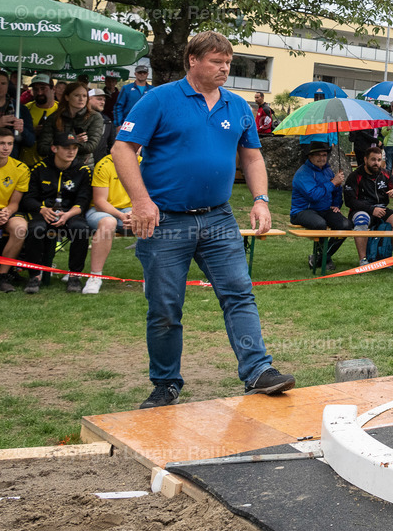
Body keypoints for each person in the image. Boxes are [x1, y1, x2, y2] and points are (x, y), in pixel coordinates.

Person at [112, 30, 295, 409]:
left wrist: (261, 200)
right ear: (192, 60)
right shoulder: (159, 99)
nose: (225, 67)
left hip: (219, 218)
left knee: (239, 294)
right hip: (165, 221)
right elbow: (122, 148)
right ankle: (165, 385)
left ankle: (258, 371)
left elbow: (252, 156)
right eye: (216, 61)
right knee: (165, 307)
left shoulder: (238, 105)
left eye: (228, 61)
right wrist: (141, 201)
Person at [20, 132, 93, 294]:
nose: (71, 152)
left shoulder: (83, 170)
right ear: (54, 148)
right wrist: (43, 210)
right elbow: (28, 199)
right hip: (44, 212)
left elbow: (83, 201)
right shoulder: (39, 169)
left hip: (71, 214)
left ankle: (74, 275)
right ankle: (34, 275)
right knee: (35, 230)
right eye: (66, 148)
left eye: (74, 148)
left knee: (81, 230)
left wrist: (67, 215)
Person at [291, 141, 352, 271]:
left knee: (346, 225)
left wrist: (336, 204)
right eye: (318, 155)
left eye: (324, 155)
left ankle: (320, 257)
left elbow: (336, 191)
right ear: (310, 157)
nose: (322, 158)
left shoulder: (328, 171)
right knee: (320, 224)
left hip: (324, 210)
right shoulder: (303, 173)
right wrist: (333, 182)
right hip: (302, 211)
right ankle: (325, 259)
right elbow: (313, 195)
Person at [83, 151, 137, 294]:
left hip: (131, 209)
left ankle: (151, 279)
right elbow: (100, 202)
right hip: (102, 211)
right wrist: (121, 215)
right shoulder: (104, 165)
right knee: (108, 223)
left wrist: (136, 213)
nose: (136, 149)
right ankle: (95, 277)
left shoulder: (146, 163)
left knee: (148, 221)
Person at [0, 127, 30, 292]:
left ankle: (2, 276)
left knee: (20, 228)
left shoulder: (21, 169)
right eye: (1, 143)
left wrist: (7, 212)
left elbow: (15, 203)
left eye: (10, 144)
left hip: (6, 212)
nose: (6, 148)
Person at [342, 146, 393, 266]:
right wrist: (371, 209)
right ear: (365, 160)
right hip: (361, 210)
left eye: (379, 160)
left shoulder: (385, 174)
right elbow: (349, 201)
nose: (376, 163)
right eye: (373, 159)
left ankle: (382, 256)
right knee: (361, 219)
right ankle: (363, 259)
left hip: (382, 209)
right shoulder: (355, 176)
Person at [37, 82, 104, 166]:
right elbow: (42, 148)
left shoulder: (95, 117)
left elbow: (90, 147)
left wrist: (58, 145)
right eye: (76, 95)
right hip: (56, 167)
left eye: (84, 96)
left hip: (83, 168)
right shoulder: (54, 118)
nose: (81, 99)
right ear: (67, 97)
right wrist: (73, 140)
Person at [0, 70, 35, 161]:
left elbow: (30, 142)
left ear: (8, 86)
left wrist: (22, 130)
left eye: (3, 83)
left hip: (10, 164)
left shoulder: (20, 109)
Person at [20, 74, 59, 167]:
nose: (39, 93)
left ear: (53, 89)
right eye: (36, 89)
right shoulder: (25, 109)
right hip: (27, 163)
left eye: (43, 88)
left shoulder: (61, 110)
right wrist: (32, 132)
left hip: (52, 165)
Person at [88, 89, 117, 164]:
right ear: (88, 99)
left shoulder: (108, 121)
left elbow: (112, 145)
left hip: (100, 166)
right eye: (99, 99)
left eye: (104, 100)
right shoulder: (78, 118)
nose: (103, 102)